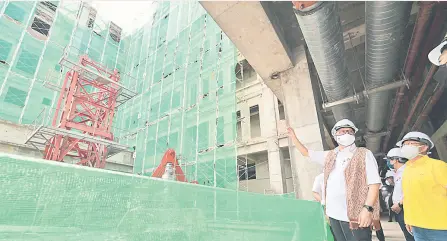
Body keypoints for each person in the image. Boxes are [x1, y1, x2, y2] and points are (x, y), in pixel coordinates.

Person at [288, 119, 381, 241]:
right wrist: (293, 138)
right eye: (342, 131)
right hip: (333, 215)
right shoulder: (330, 155)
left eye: (349, 131)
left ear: (354, 134)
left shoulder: (364, 154)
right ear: (335, 136)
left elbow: (374, 184)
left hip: (355, 216)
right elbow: (306, 153)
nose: (346, 133)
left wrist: (368, 209)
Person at [396, 132, 447, 241]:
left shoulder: (438, 166)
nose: (407, 147)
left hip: (440, 226)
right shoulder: (407, 169)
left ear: (424, 147)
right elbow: (408, 196)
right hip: (417, 227)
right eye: (405, 144)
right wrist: (408, 219)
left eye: (411, 144)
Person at [384, 148, 414, 241]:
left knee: (411, 236)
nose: (389, 162)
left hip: (406, 208)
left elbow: (411, 190)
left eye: (390, 159)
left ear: (396, 160)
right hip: (400, 209)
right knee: (408, 235)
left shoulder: (406, 171)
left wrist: (400, 203)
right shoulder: (398, 172)